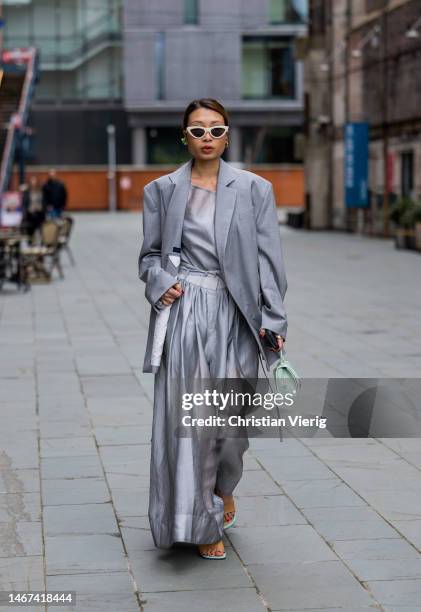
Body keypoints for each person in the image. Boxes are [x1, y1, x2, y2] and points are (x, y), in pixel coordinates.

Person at [138, 98, 288, 560]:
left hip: (237, 313)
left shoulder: (254, 189)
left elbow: (269, 262)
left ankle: (223, 488)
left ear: (227, 135)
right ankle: (198, 524)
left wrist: (274, 320)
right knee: (192, 424)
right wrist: (161, 283)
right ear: (184, 137)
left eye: (215, 130)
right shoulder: (161, 190)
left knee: (232, 425)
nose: (207, 138)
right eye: (197, 130)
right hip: (184, 313)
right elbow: (148, 257)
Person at [20, 177, 47, 242]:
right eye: (32, 181)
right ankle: (30, 245)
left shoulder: (41, 191)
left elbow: (44, 202)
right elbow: (24, 204)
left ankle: (42, 245)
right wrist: (24, 214)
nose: (33, 183)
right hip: (30, 215)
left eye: (34, 181)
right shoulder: (27, 192)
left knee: (41, 232)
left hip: (39, 214)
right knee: (30, 233)